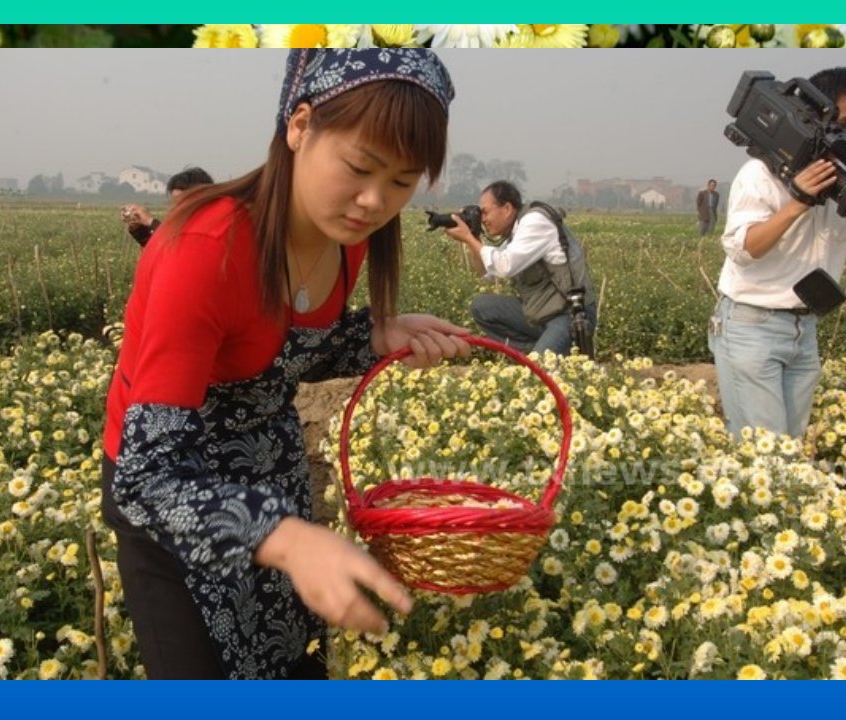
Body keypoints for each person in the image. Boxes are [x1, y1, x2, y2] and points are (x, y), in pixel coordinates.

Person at [100, 48, 468, 680]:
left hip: (274, 475)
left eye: (403, 183)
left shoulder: (346, 240)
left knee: (291, 666)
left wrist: (373, 336)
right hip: (177, 497)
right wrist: (290, 539)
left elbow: (271, 353)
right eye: (359, 166)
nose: (373, 201)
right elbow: (147, 478)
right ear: (299, 127)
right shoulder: (205, 250)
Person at [708, 66, 846, 439]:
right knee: (766, 454)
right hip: (752, 325)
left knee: (789, 449)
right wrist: (797, 200)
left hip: (804, 327)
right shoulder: (760, 174)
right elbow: (744, 248)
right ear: (819, 119)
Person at [444, 180, 597, 357]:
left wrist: (468, 239)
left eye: (485, 212)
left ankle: (544, 355)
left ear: (507, 208)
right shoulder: (515, 231)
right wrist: (473, 237)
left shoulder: (535, 221)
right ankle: (538, 352)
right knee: (482, 307)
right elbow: (486, 273)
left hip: (568, 315)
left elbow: (504, 266)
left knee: (536, 373)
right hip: (540, 314)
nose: (483, 219)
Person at [121, 166, 214, 248]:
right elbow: (160, 247)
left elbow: (179, 248)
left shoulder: (213, 227)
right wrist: (138, 228)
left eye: (182, 201)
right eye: (175, 202)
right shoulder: (185, 224)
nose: (176, 207)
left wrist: (150, 221)